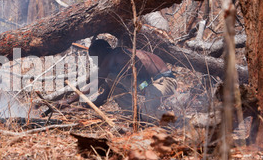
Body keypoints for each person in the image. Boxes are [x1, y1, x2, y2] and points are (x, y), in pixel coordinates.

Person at [46, 39, 177, 123]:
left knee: (148, 115)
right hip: (150, 84)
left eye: (95, 58)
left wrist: (68, 101)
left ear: (102, 53)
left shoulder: (112, 57)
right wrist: (80, 108)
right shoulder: (116, 64)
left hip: (163, 81)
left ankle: (180, 121)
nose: (96, 63)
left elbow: (94, 85)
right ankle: (134, 114)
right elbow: (104, 96)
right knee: (112, 81)